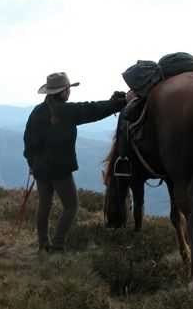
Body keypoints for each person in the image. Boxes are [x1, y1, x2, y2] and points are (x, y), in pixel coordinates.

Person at [23, 72, 128, 254]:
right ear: (63, 91)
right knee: (71, 206)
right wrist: (119, 103)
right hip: (60, 170)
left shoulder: (37, 112)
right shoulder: (67, 111)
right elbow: (92, 110)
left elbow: (28, 141)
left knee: (44, 205)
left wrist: (32, 164)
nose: (69, 93)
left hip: (40, 169)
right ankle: (58, 245)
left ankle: (43, 244)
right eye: (68, 89)